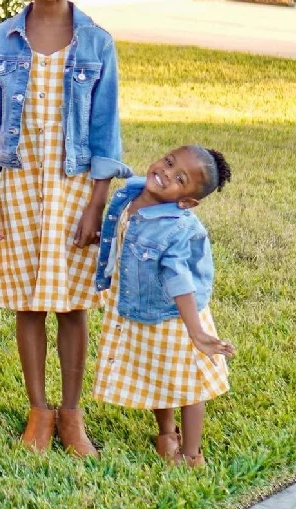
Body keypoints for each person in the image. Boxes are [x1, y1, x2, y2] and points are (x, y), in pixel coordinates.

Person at [0, 0, 130, 456]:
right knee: (28, 301)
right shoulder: (3, 38)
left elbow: (106, 132)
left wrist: (97, 205)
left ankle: (71, 413)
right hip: (18, 185)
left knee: (72, 304)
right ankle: (38, 412)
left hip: (73, 189)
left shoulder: (96, 43)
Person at [92, 145, 235, 467]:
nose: (166, 172)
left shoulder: (173, 227)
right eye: (169, 162)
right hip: (140, 302)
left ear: (186, 202)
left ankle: (191, 453)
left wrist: (195, 331)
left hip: (175, 315)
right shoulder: (133, 191)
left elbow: (178, 277)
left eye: (179, 178)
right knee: (159, 372)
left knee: (187, 383)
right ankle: (167, 433)